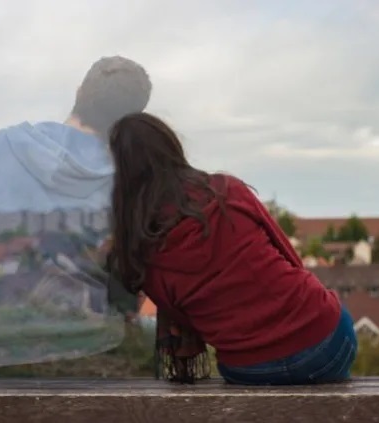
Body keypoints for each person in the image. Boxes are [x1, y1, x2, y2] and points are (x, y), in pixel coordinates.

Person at [107, 112, 357, 385]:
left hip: (251, 367)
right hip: (328, 339)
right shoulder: (226, 191)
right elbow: (288, 254)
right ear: (171, 147)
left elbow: (186, 319)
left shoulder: (141, 248)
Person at [0, 56, 152, 374]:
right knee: (159, 342)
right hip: (93, 352)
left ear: (79, 92)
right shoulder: (126, 176)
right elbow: (131, 283)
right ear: (132, 120)